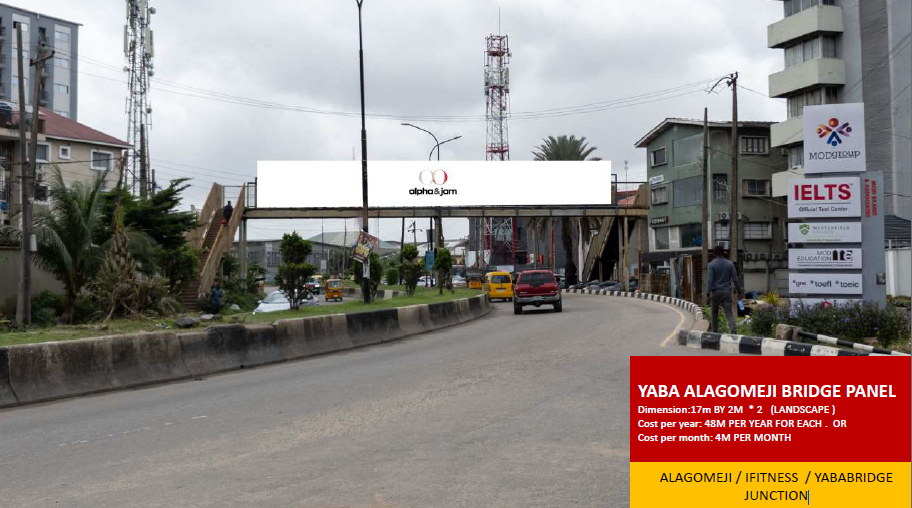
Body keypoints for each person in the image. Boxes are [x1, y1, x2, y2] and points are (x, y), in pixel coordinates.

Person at [706, 245, 743, 334]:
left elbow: (710, 280)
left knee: (714, 313)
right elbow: (735, 279)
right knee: (728, 312)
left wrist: (707, 294)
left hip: (716, 292)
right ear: (723, 253)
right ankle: (733, 329)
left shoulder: (711, 265)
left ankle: (715, 332)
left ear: (714, 254)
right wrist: (740, 291)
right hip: (727, 292)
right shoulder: (730, 264)